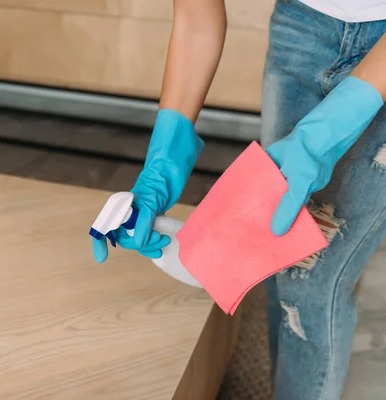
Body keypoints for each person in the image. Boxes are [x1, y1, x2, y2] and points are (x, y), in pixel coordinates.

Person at [91, 0, 386, 399]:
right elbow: (197, 18)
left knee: (314, 285)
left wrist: (324, 135)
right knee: (280, 258)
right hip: (302, 26)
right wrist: (165, 156)